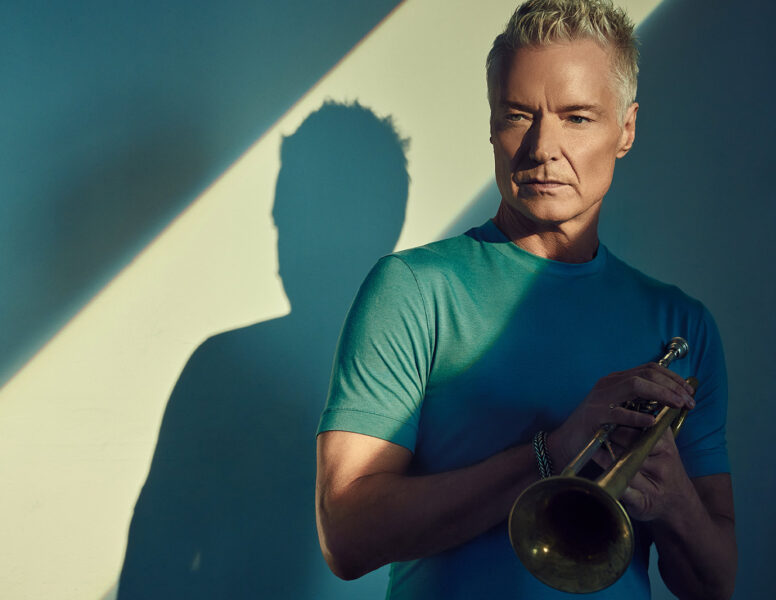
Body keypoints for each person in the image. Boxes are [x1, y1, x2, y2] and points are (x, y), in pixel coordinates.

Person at [314, 1, 736, 598]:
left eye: (578, 117)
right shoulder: (412, 290)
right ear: (491, 127)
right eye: (518, 115)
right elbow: (346, 536)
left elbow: (715, 583)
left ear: (627, 130)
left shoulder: (682, 325)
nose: (542, 146)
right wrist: (553, 452)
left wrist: (675, 503)